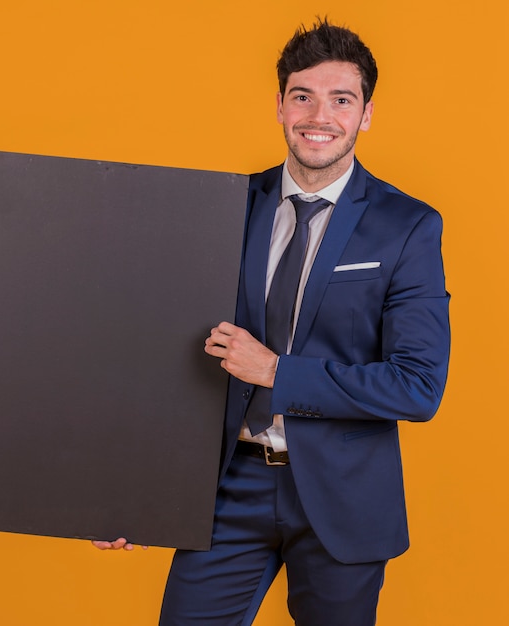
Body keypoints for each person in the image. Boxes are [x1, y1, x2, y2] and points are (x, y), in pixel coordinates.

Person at [93, 17, 450, 626]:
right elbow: (167, 354)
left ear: (365, 114)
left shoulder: (408, 226)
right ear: (280, 105)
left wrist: (276, 373)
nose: (320, 116)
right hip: (228, 489)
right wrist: (137, 494)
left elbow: (417, 387)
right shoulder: (225, 207)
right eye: (302, 96)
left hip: (343, 500)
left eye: (342, 100)